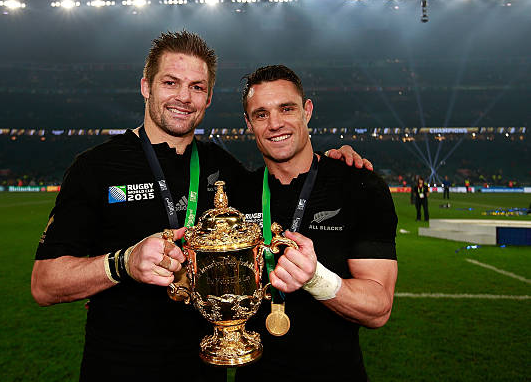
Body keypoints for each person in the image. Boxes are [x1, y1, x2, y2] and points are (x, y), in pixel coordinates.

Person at [30, 31, 370, 381]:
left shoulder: (222, 168)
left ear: (208, 98)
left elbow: (282, 184)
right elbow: (44, 284)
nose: (184, 97)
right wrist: (123, 263)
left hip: (206, 368)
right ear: (146, 87)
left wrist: (334, 162)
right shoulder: (95, 168)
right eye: (171, 82)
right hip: (120, 368)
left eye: (197, 87)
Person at [233, 65, 398, 382]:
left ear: (307, 111)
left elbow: (379, 308)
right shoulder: (237, 193)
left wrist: (316, 278)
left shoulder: (359, 186)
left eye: (286, 108)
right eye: (261, 114)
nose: (275, 123)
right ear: (248, 123)